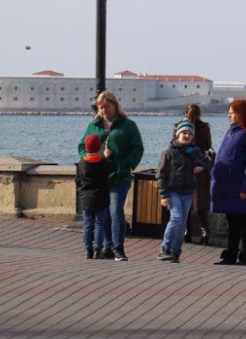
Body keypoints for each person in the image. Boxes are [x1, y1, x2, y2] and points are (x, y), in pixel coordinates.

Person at [77, 91, 144, 261]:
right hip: (99, 178)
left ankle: (118, 247)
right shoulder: (93, 126)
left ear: (115, 106)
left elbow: (137, 148)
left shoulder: (128, 125)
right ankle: (107, 245)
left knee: (115, 211)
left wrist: (125, 164)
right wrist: (89, 159)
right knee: (102, 213)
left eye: (107, 107)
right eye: (100, 108)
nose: (104, 111)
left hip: (119, 175)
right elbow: (81, 147)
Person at [211, 99, 246, 266]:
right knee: (232, 222)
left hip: (241, 187)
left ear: (241, 114)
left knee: (244, 222)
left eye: (232, 113)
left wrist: (245, 188)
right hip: (228, 187)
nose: (229, 116)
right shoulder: (230, 132)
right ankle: (230, 254)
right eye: (229, 112)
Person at [157, 120, 208, 263]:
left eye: (190, 134)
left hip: (188, 192)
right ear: (178, 134)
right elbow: (161, 174)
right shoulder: (168, 152)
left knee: (183, 222)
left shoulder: (195, 151)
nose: (187, 136)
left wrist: (201, 167)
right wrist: (163, 195)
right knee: (176, 218)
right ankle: (164, 249)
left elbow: (204, 162)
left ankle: (176, 251)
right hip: (173, 191)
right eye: (184, 133)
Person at [175, 104, 214, 245]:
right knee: (200, 202)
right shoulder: (204, 128)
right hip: (200, 168)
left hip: (184, 167)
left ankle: (187, 232)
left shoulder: (180, 127)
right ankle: (205, 231)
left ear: (185, 113)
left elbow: (173, 144)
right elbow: (208, 145)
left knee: (186, 202)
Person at [75, 134, 113, 259]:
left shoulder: (81, 163)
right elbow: (112, 169)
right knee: (99, 224)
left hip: (86, 197)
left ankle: (88, 249)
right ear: (98, 147)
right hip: (101, 196)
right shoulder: (102, 162)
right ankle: (98, 249)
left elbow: (78, 180)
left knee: (87, 223)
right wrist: (107, 156)